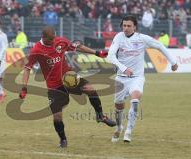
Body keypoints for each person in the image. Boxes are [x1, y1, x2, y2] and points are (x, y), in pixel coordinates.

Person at [19, 26, 116, 148]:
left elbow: (78, 47)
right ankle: (63, 140)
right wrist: (24, 88)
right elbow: (27, 68)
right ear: (43, 38)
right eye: (51, 40)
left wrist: (97, 53)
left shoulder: (60, 41)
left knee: (90, 89)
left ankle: (100, 116)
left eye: (54, 38)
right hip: (54, 86)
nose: (54, 41)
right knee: (57, 116)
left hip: (69, 78)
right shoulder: (36, 50)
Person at [106, 15, 178, 143]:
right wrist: (123, 69)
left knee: (135, 100)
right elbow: (111, 56)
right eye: (124, 25)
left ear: (135, 27)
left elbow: (160, 46)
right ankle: (119, 127)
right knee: (118, 105)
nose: (126, 28)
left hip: (137, 77)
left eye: (129, 26)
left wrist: (173, 62)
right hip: (121, 78)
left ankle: (128, 131)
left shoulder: (142, 39)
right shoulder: (119, 37)